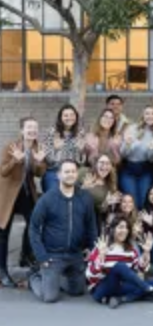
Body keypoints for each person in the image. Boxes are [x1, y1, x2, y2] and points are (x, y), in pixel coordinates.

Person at [29, 159, 98, 303]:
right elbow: (33, 228)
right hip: (53, 255)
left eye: (73, 171)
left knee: (78, 291)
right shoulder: (47, 199)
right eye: (66, 172)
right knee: (50, 297)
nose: (70, 175)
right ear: (58, 175)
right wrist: (41, 256)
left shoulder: (85, 198)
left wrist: (93, 249)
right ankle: (35, 277)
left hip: (75, 254)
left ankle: (55, 279)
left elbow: (91, 225)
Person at [0, 117, 47, 286]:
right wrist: (16, 160)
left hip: (27, 193)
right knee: (3, 232)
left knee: (33, 226)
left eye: (35, 127)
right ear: (22, 130)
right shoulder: (11, 146)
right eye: (29, 127)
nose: (32, 130)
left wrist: (39, 161)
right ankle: (2, 271)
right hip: (8, 194)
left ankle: (25, 256)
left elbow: (40, 173)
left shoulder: (37, 148)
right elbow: (3, 171)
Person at [86, 217, 153, 308]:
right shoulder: (101, 246)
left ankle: (122, 299)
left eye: (126, 228)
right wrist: (101, 256)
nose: (124, 231)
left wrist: (146, 253)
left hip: (121, 287)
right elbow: (90, 275)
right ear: (112, 229)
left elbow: (139, 268)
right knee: (120, 266)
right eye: (120, 227)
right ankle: (150, 291)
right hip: (102, 288)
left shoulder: (130, 249)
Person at [120, 106, 153, 210]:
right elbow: (123, 153)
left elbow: (151, 159)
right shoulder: (132, 128)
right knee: (132, 201)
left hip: (145, 169)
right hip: (129, 169)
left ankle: (141, 225)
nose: (150, 116)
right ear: (143, 115)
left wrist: (152, 149)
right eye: (147, 113)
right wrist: (130, 144)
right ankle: (132, 224)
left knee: (144, 201)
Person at [41, 104, 85, 192]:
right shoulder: (52, 132)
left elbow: (81, 162)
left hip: (72, 171)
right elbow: (48, 160)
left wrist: (80, 151)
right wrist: (56, 150)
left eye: (72, 115)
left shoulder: (80, 133)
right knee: (54, 194)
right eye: (66, 115)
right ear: (60, 117)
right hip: (55, 171)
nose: (69, 118)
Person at [81, 154, 121, 231]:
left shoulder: (110, 185)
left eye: (107, 163)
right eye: (102, 162)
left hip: (94, 219)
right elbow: (69, 191)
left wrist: (106, 203)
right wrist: (83, 187)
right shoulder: (85, 173)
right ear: (96, 164)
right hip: (78, 213)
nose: (104, 166)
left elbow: (101, 210)